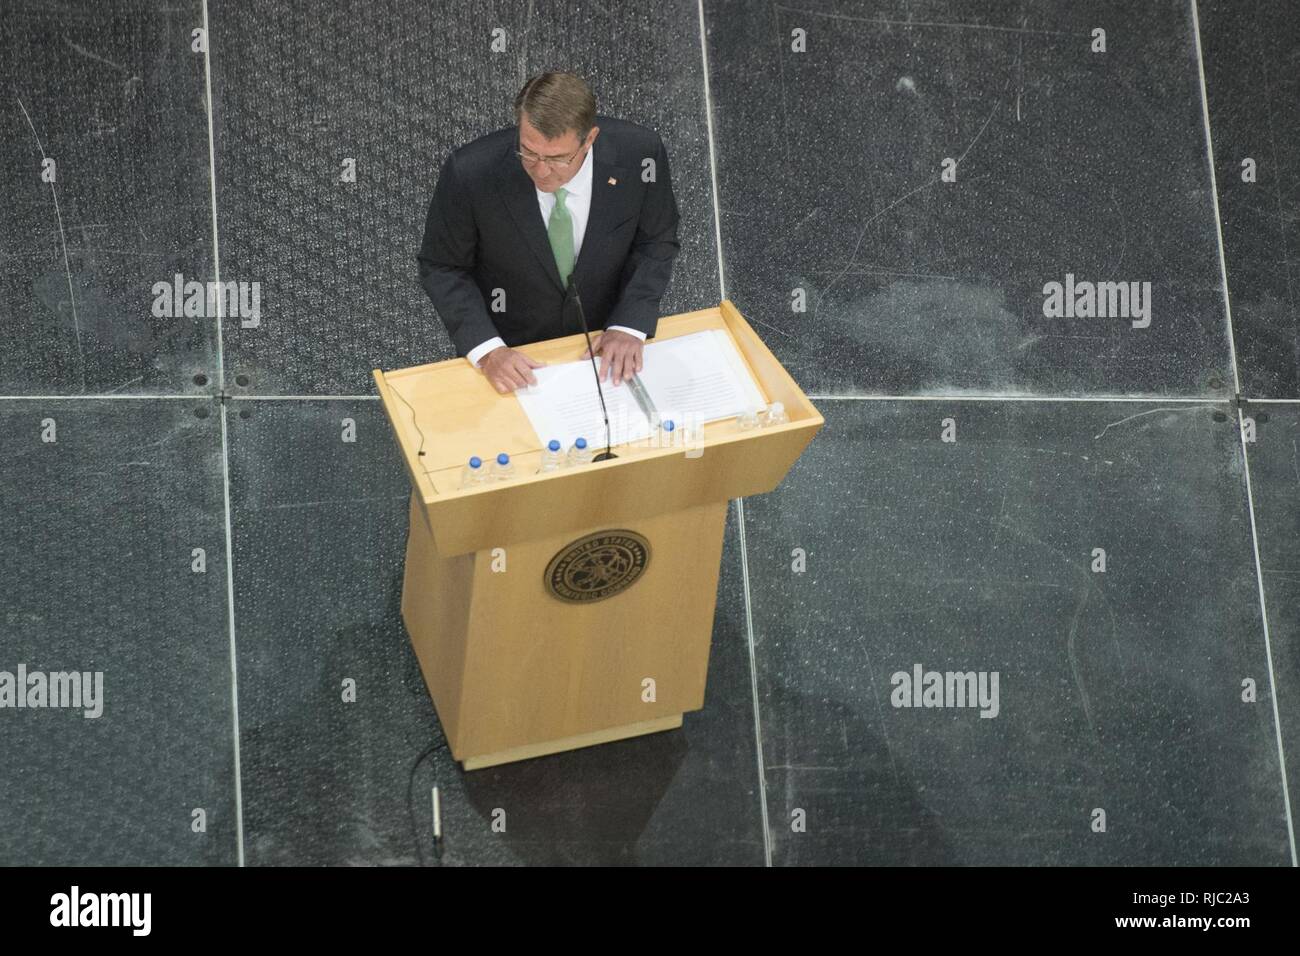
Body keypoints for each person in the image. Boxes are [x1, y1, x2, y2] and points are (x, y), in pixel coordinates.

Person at [417, 71, 681, 394]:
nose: (540, 171)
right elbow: (442, 265)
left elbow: (656, 240)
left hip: (603, 348)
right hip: (513, 355)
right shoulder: (469, 173)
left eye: (557, 159)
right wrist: (487, 351)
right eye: (528, 152)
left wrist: (629, 324)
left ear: (590, 139)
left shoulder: (641, 155)